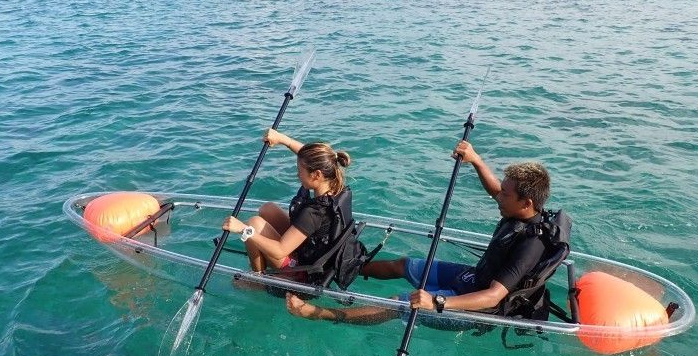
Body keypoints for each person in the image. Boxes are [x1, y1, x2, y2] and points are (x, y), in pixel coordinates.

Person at [286, 140, 553, 324]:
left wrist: (436, 301)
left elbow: (494, 296)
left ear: (526, 203)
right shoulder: (518, 208)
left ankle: (323, 313)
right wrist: (475, 160)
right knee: (403, 265)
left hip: (479, 304)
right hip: (473, 277)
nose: (499, 197)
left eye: (505, 194)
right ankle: (342, 268)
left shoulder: (530, 245)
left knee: (399, 303)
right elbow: (496, 189)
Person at [222, 128, 354, 280]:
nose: (297, 174)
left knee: (254, 224)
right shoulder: (335, 185)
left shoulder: (314, 212)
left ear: (317, 174)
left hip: (304, 273)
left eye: (300, 171)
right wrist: (284, 140)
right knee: (268, 209)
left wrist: (243, 230)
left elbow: (279, 251)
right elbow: (311, 159)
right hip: (311, 250)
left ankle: (257, 278)